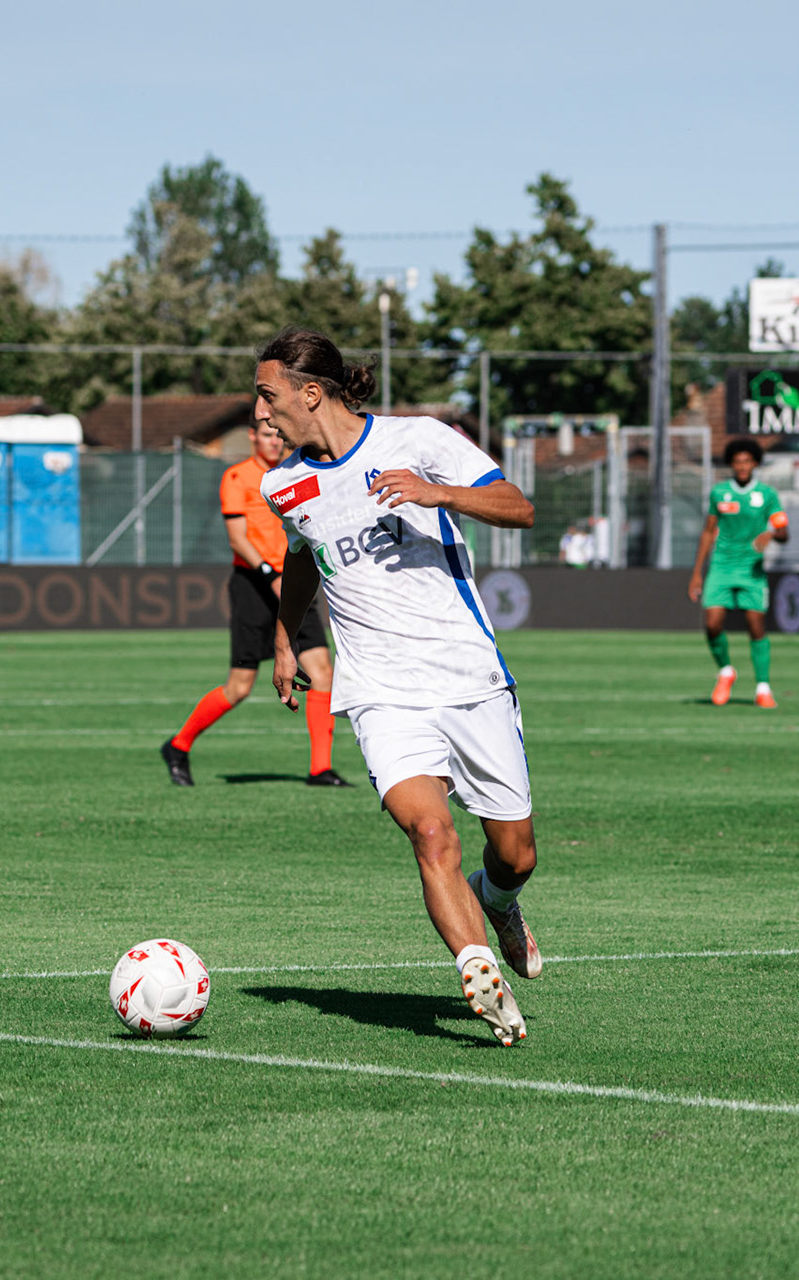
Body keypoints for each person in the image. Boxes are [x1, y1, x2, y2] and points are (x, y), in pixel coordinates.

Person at [254, 327, 541, 1047]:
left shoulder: (418, 440)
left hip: (469, 677)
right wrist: (286, 636)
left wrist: (433, 492)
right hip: (381, 691)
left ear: (309, 392)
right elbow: (301, 557)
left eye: (269, 394)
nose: (261, 411)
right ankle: (478, 971)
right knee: (431, 833)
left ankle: (497, 902)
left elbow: (519, 505)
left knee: (515, 855)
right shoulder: (280, 483)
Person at [160, 421, 351, 789]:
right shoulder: (237, 476)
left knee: (322, 671)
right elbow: (237, 539)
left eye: (278, 435)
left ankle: (320, 769)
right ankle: (178, 746)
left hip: (293, 583)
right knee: (240, 686)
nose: (274, 442)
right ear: (252, 437)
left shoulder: (293, 474)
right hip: (254, 585)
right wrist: (270, 574)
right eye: (265, 435)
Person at [688, 438, 787, 707]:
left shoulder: (767, 495)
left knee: (755, 627)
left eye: (747, 461)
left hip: (751, 570)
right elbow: (708, 532)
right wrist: (697, 573)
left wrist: (771, 534)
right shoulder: (720, 493)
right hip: (721, 567)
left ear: (755, 463)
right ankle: (726, 671)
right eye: (737, 462)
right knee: (712, 624)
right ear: (731, 464)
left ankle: (763, 688)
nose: (742, 466)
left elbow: (784, 531)